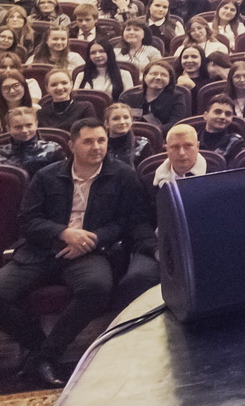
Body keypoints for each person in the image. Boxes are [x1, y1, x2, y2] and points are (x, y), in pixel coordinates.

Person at [0, 117, 152, 387]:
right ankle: (39, 347)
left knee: (97, 288)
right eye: (88, 141)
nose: (97, 147)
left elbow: (129, 221)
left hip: (89, 251)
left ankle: (46, 355)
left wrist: (92, 238)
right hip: (41, 250)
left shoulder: (123, 175)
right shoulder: (46, 176)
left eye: (102, 140)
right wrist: (63, 232)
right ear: (71, 145)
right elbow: (27, 220)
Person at [0, 107, 64, 176]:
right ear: (8, 129)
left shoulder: (53, 149)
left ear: (36, 124)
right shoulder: (2, 153)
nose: (24, 130)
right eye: (18, 127)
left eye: (29, 125)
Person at [103, 102, 150, 167]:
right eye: (116, 118)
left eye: (126, 117)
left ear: (131, 121)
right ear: (107, 123)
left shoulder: (143, 144)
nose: (122, 122)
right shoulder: (100, 145)